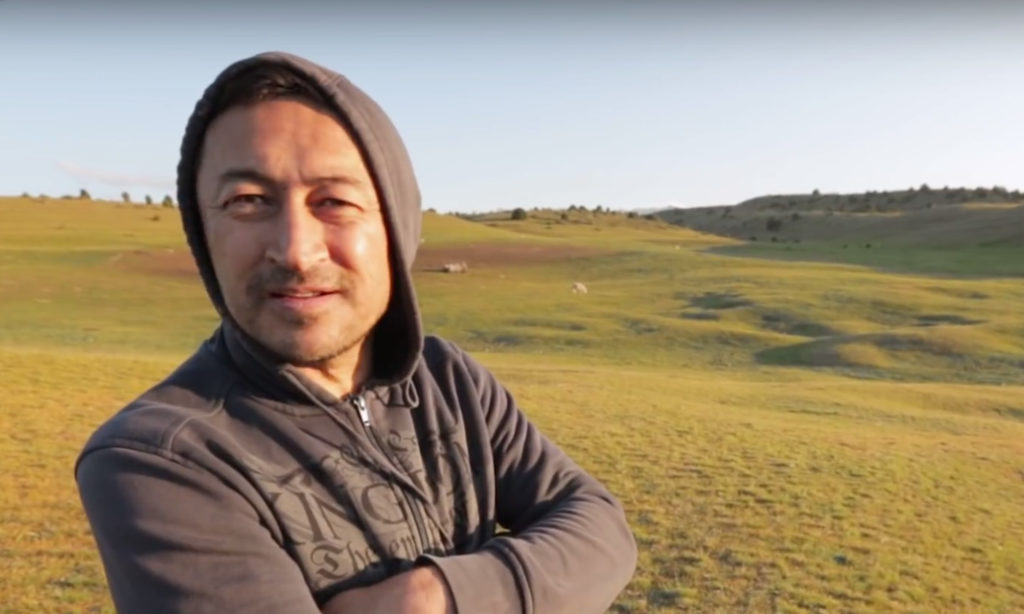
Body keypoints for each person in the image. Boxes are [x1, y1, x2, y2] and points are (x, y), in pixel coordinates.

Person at [75, 51, 637, 614]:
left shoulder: (448, 380)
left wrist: (436, 597)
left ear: (394, 225)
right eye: (247, 202)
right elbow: (574, 549)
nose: (295, 250)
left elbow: (600, 528)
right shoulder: (159, 457)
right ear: (203, 232)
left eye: (335, 202)